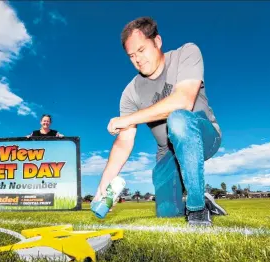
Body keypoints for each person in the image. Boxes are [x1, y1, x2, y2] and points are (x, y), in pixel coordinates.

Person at [93, 17, 227, 226]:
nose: (137, 59)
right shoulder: (130, 92)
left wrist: (128, 119)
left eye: (142, 50)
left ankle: (197, 209)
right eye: (131, 55)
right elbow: (124, 142)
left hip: (203, 134)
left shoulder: (187, 53)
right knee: (167, 213)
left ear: (157, 41)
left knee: (178, 119)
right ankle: (205, 199)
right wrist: (104, 182)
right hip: (167, 152)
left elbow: (183, 101)